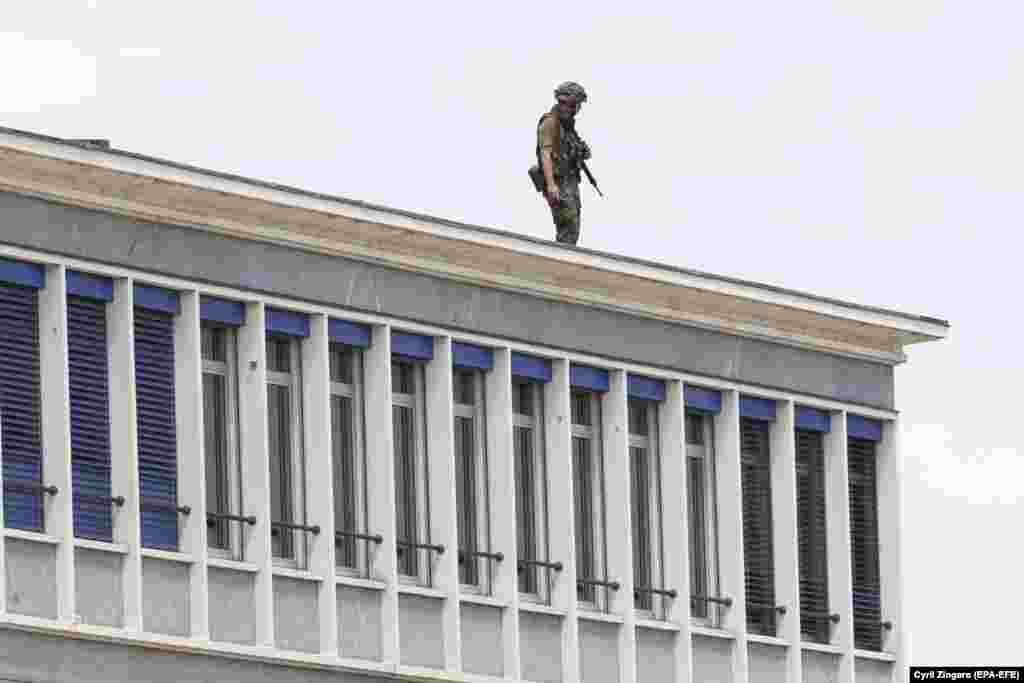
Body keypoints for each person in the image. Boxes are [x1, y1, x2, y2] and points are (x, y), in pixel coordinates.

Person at [536, 81, 592, 246]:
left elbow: (581, 152)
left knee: (573, 225)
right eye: (576, 104)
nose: (577, 109)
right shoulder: (550, 122)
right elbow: (544, 153)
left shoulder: (567, 127)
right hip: (559, 182)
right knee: (568, 225)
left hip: (570, 182)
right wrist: (551, 185)